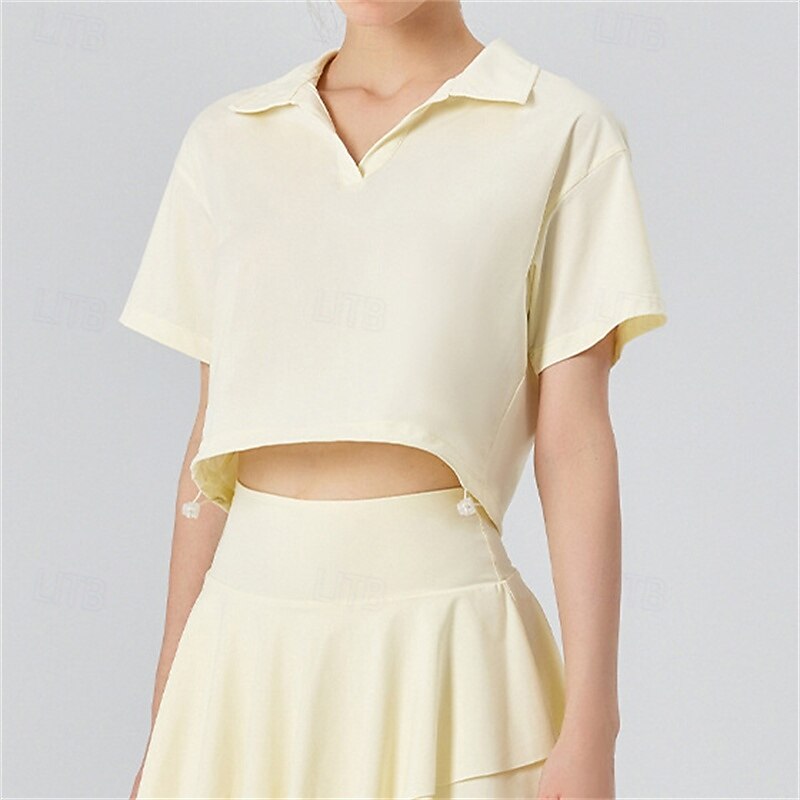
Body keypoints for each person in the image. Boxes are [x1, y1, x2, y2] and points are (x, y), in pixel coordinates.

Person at [120, 3, 667, 799]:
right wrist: (166, 715)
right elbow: (212, 441)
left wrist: (593, 724)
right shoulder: (228, 139)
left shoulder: (563, 132)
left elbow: (574, 441)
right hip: (239, 663)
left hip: (447, 661)